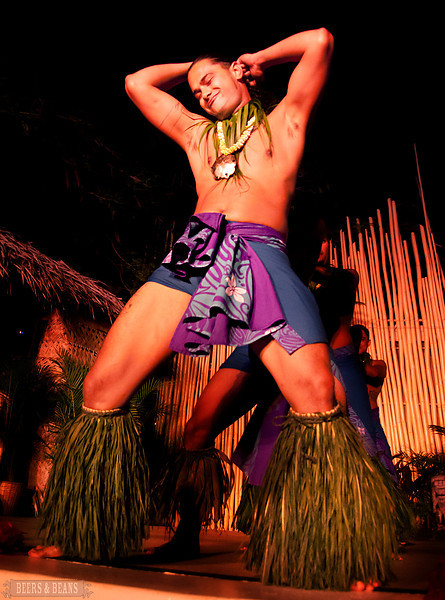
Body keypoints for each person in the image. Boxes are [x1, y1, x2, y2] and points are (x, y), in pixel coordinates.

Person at [31, 28, 399, 591]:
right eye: (196, 89)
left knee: (317, 399)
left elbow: (321, 41)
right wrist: (193, 67)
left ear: (238, 74)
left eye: (211, 80)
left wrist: (258, 57)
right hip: (194, 253)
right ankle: (85, 531)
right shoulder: (198, 136)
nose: (201, 92)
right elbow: (136, 83)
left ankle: (344, 554)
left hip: (261, 254)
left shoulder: (283, 123)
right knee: (101, 388)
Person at [351, 324, 398, 480]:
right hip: (350, 418)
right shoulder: (344, 366)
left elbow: (373, 373)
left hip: (372, 418)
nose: (359, 343)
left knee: (383, 462)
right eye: (356, 339)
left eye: (363, 339)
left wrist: (352, 360)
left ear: (369, 342)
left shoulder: (378, 364)